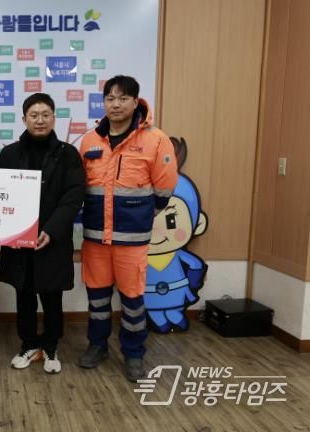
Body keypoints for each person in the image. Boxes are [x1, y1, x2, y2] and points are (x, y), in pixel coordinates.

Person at [78, 75, 178, 382]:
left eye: (123, 98)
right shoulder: (90, 140)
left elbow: (163, 191)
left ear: (136, 102)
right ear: (104, 103)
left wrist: (138, 216)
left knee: (133, 300)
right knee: (97, 298)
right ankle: (98, 345)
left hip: (132, 240)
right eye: (110, 98)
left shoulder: (155, 140)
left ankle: (134, 354)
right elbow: (80, 186)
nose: (116, 104)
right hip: (95, 238)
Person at [0, 93, 84, 374]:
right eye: (34, 115)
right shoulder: (9, 154)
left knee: (52, 296)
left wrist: (51, 229)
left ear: (54, 117)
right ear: (24, 119)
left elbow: (73, 196)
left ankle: (51, 346)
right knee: (23, 295)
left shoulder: (68, 154)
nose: (40, 120)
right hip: (18, 241)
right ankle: (29, 344)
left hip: (52, 240)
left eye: (45, 114)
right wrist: (6, 230)